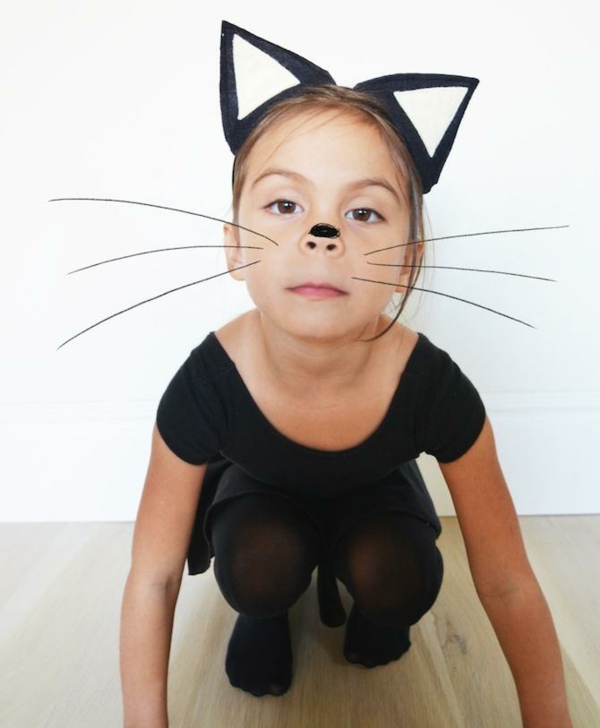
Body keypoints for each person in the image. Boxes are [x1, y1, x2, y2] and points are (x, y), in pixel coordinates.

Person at [119, 22, 572, 728]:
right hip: (258, 505)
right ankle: (265, 613)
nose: (323, 235)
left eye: (362, 212)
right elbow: (153, 576)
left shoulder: (433, 387)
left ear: (407, 261)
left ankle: (374, 605)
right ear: (234, 247)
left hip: (378, 502)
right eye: (286, 205)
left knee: (397, 576)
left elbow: (507, 579)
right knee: (259, 564)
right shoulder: (207, 384)